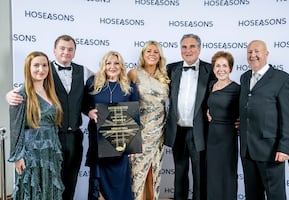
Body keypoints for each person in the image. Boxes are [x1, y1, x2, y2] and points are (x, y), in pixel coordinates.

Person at [6, 35, 91, 200]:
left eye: (70, 49)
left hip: (62, 143)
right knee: (35, 189)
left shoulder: (80, 73)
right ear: (54, 51)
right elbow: (16, 125)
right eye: (62, 48)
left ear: (74, 52)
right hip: (36, 149)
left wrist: (93, 110)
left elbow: (92, 94)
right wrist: (8, 95)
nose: (41, 69)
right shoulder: (24, 91)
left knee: (63, 184)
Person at [239, 40, 289, 200]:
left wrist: (284, 148)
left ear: (266, 54)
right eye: (249, 52)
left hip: (270, 150)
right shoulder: (244, 77)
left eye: (257, 51)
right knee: (252, 194)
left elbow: (288, 117)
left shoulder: (282, 79)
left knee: (275, 194)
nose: (253, 55)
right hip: (247, 149)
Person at [164, 33, 215, 200]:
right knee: (179, 173)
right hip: (177, 130)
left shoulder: (211, 70)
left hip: (199, 131)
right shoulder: (170, 69)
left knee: (200, 175)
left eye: (192, 46)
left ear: (199, 49)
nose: (188, 50)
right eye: (184, 47)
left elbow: (219, 96)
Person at [83, 51, 139, 200]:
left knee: (120, 179)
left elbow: (134, 115)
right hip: (97, 138)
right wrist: (89, 113)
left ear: (121, 66)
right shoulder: (92, 83)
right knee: (99, 177)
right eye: (108, 63)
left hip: (121, 142)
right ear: (103, 65)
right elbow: (83, 105)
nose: (112, 67)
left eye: (116, 63)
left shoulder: (129, 86)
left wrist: (133, 143)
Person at [8, 51, 64, 199]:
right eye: (36, 65)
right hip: (31, 154)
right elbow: (15, 129)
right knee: (33, 190)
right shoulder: (21, 94)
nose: (41, 69)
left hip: (51, 150)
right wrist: (17, 157)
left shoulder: (50, 92)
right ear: (28, 68)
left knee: (50, 187)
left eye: (45, 65)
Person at [127, 40, 170, 200]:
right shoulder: (133, 73)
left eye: (155, 51)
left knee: (154, 175)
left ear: (159, 56)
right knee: (137, 177)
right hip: (140, 134)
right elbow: (126, 104)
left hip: (159, 133)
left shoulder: (164, 76)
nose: (152, 54)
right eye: (148, 51)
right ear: (143, 55)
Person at [206, 51, 240, 200]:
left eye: (225, 66)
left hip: (227, 136)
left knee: (227, 173)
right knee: (213, 174)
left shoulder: (237, 89)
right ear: (213, 69)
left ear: (230, 69)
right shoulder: (211, 85)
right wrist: (207, 110)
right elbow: (207, 105)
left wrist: (241, 121)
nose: (221, 69)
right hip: (211, 135)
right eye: (218, 66)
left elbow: (245, 110)